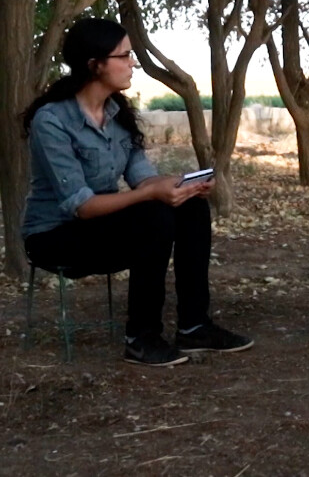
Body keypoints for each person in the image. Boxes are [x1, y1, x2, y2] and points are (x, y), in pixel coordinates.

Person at [21, 18, 253, 367]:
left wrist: (182, 186)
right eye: (124, 56)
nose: (133, 63)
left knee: (190, 207)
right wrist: (151, 195)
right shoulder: (51, 120)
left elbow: (143, 177)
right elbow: (81, 206)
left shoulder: (118, 115)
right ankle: (141, 338)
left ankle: (194, 326)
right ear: (95, 64)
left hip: (102, 228)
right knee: (154, 214)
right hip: (54, 236)